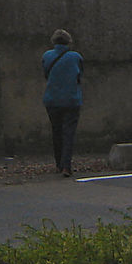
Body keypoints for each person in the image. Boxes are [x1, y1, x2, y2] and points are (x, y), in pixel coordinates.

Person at [42, 29, 84, 177]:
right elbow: (79, 75)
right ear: (69, 42)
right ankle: (66, 166)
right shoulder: (75, 57)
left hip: (52, 99)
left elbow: (46, 74)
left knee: (56, 131)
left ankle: (58, 164)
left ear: (53, 41)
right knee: (68, 133)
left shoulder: (47, 56)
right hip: (72, 100)